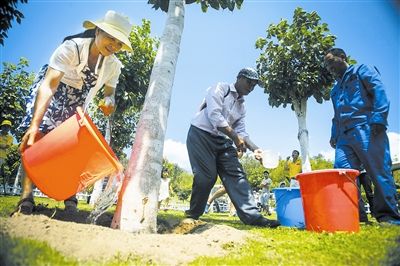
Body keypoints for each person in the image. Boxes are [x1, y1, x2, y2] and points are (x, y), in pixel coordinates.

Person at [15, 10, 133, 215]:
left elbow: (109, 92)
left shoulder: (113, 65)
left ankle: (69, 194)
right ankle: (27, 196)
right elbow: (48, 86)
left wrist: (108, 101)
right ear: (97, 31)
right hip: (53, 91)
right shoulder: (71, 48)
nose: (113, 45)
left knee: (74, 145)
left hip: (77, 100)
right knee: (37, 138)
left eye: (119, 43)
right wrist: (34, 125)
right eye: (110, 38)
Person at [185, 67, 280, 228]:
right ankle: (193, 213)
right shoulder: (220, 88)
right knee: (207, 176)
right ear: (239, 78)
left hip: (223, 140)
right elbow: (214, 115)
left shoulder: (242, 106)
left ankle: (253, 217)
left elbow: (242, 131)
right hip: (200, 135)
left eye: (254, 85)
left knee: (237, 175)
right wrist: (235, 137)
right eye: (249, 82)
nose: (251, 87)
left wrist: (255, 149)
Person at [325, 47, 400, 225]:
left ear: (342, 57)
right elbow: (336, 115)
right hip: (344, 137)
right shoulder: (334, 91)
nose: (328, 68)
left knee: (378, 171)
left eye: (330, 62)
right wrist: (334, 134)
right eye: (326, 66)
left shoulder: (362, 70)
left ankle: (388, 216)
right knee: (342, 174)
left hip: (367, 128)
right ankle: (356, 216)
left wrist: (379, 118)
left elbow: (378, 90)